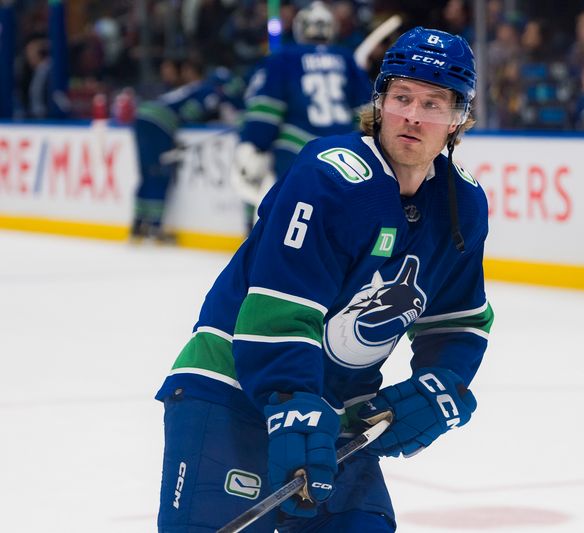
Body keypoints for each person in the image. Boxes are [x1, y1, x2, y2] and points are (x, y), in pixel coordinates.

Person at [155, 26, 494, 532]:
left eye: (434, 104)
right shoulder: (330, 176)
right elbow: (279, 310)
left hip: (335, 412)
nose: (413, 116)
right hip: (233, 388)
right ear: (379, 101)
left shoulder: (462, 204)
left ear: (459, 119)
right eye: (401, 96)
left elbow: (459, 321)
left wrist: (442, 381)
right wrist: (293, 399)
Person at [229, 1, 372, 215]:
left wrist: (255, 142)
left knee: (284, 209)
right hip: (342, 149)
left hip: (297, 144)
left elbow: (266, 108)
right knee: (338, 211)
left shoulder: (284, 56)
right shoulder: (346, 58)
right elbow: (366, 110)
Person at [131, 57, 245, 241]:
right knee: (159, 173)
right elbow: (190, 112)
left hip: (144, 114)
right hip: (160, 122)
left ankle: (137, 225)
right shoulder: (210, 91)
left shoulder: (195, 87)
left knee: (146, 172)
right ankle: (154, 227)